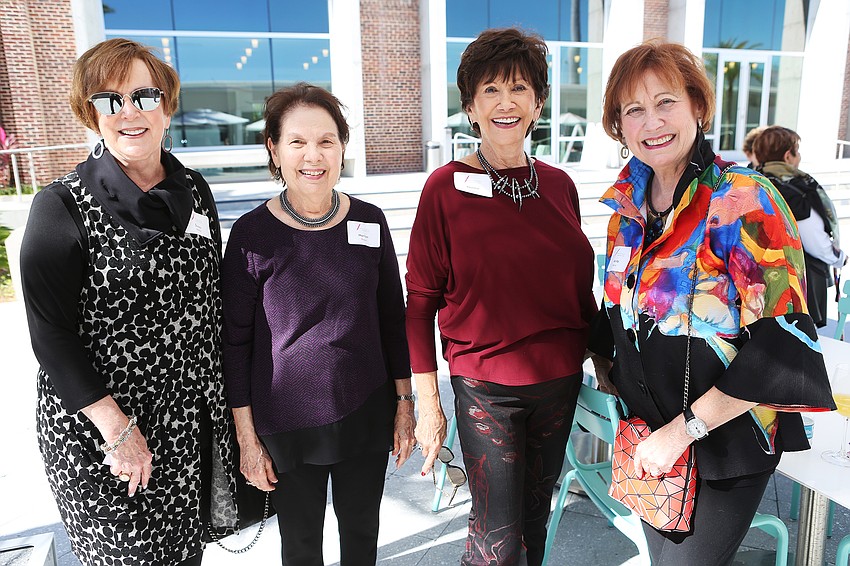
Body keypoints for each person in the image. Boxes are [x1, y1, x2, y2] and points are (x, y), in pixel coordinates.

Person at [589, 40, 836, 565]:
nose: (651, 121)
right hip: (649, 444)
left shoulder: (744, 200)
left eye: (666, 102)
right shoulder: (625, 211)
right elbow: (616, 313)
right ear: (619, 126)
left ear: (698, 107)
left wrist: (681, 433)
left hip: (722, 447)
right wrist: (609, 374)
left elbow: (782, 346)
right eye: (634, 109)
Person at [19, 38, 236, 565]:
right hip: (106, 438)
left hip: (187, 427)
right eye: (109, 100)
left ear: (167, 106)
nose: (130, 112)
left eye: (143, 94)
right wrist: (117, 430)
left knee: (185, 555)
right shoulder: (60, 206)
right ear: (91, 115)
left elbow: (210, 302)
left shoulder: (195, 190)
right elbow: (51, 335)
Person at [406, 28, 598, 566]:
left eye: (518, 88)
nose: (505, 102)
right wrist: (427, 407)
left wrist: (605, 362)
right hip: (486, 386)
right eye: (490, 90)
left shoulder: (560, 186)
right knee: (495, 540)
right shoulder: (444, 189)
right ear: (470, 106)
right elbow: (419, 302)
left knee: (534, 531)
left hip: (559, 382)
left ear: (538, 102)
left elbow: (578, 290)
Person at [221, 82, 414, 565]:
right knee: (301, 545)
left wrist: (405, 404)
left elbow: (393, 316)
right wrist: (246, 437)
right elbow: (234, 343)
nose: (314, 155)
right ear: (274, 148)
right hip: (284, 422)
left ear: (343, 147)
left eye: (326, 141)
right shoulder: (251, 234)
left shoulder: (369, 221)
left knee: (360, 537)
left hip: (365, 411)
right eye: (298, 142)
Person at [755, 125, 846, 328]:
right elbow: (815, 241)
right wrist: (838, 258)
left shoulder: (750, 182)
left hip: (757, 280)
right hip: (798, 285)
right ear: (788, 156)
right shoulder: (796, 191)